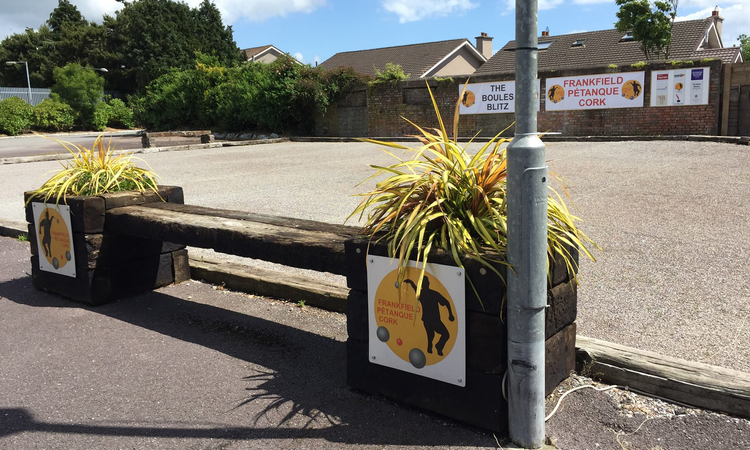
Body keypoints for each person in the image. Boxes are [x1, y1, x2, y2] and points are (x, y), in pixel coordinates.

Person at [404, 277, 455, 356]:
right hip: (430, 320)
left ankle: (435, 346)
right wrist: (450, 314)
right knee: (438, 335)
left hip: (431, 320)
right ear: (427, 284)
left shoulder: (428, 293)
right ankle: (433, 347)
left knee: (437, 335)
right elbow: (446, 302)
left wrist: (450, 314)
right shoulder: (428, 293)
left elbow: (446, 302)